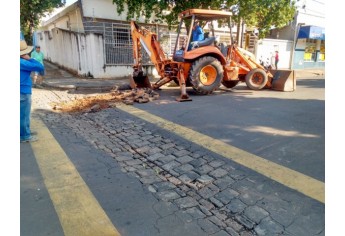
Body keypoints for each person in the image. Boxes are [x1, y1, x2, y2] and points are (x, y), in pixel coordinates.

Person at [20, 40, 44, 143]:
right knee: (24, 114)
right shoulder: (23, 62)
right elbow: (40, 67)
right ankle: (25, 135)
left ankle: (26, 131)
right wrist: (30, 59)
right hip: (23, 91)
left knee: (22, 114)